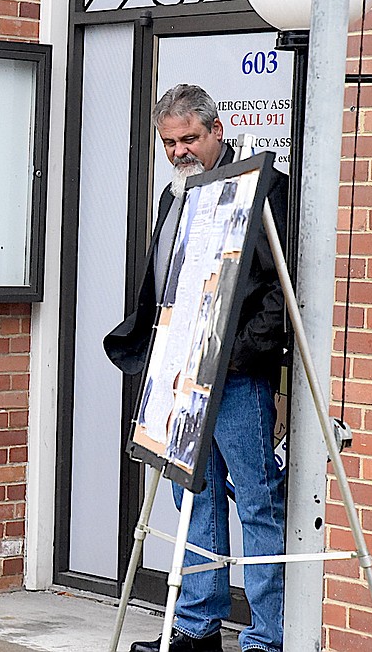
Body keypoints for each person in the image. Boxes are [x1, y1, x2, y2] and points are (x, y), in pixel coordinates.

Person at [103, 84, 288, 652]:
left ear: (217, 133)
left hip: (235, 377)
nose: (180, 151)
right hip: (183, 375)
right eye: (169, 142)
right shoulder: (172, 197)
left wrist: (233, 356)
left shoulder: (264, 189)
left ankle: (266, 638)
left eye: (190, 139)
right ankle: (196, 628)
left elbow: (280, 292)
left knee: (258, 499)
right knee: (194, 496)